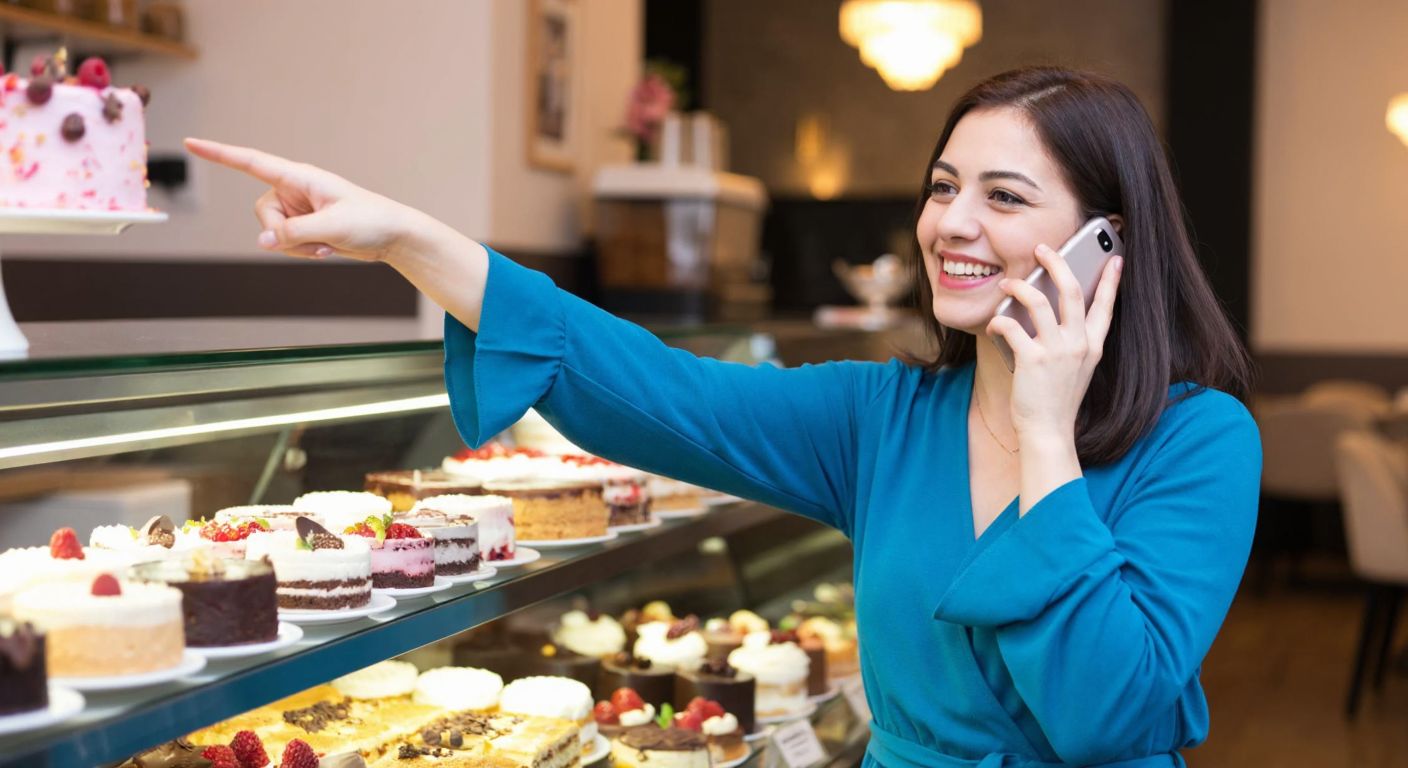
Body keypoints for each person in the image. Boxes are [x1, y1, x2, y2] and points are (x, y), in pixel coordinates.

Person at [187, 66, 1261, 768]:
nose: (952, 224)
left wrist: (1042, 434)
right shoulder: (880, 418)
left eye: (1005, 197)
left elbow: (1106, 715)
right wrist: (406, 239)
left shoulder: (1201, 441)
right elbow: (658, 390)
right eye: (942, 187)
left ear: (1104, 249)